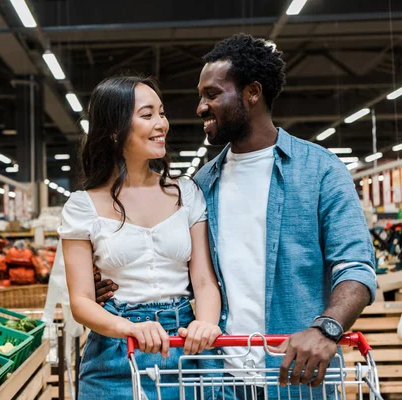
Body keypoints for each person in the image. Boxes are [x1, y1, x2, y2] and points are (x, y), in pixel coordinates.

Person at [95, 34, 377, 399]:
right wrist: (114, 284)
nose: (200, 107)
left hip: (296, 375)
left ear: (252, 93)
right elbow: (176, 268)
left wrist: (326, 328)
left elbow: (356, 266)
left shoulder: (320, 171)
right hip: (215, 379)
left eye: (212, 94)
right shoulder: (199, 186)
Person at [59, 75, 222, 399]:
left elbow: (203, 280)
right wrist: (129, 328)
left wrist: (207, 323)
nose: (161, 123)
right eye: (147, 115)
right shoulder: (82, 206)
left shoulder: (185, 193)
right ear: (114, 129)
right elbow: (80, 301)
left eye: (161, 113)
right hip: (115, 351)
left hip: (185, 345)